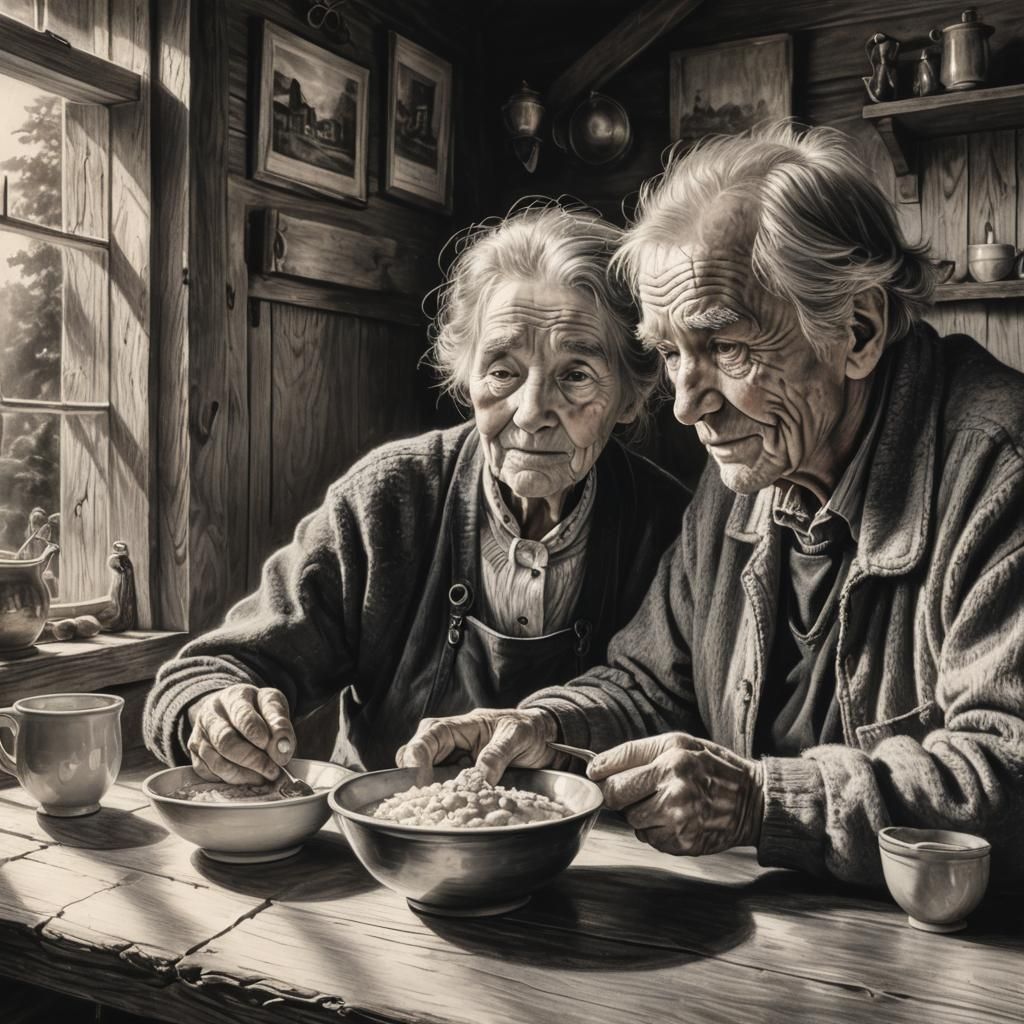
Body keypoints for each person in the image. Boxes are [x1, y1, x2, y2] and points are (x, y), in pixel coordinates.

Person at [398, 124, 1024, 886]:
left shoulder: (1000, 471)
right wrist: (545, 723)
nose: (687, 405)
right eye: (670, 353)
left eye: (726, 347)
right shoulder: (750, 472)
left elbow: (1008, 767)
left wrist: (764, 801)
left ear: (857, 331)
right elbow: (650, 684)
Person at [143, 204, 688, 781]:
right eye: (502, 371)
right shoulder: (388, 501)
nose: (531, 413)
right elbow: (205, 673)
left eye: (575, 375)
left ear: (631, 395)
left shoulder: (671, 529)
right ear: (467, 376)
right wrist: (216, 712)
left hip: (590, 836)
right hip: (384, 826)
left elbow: (675, 709)